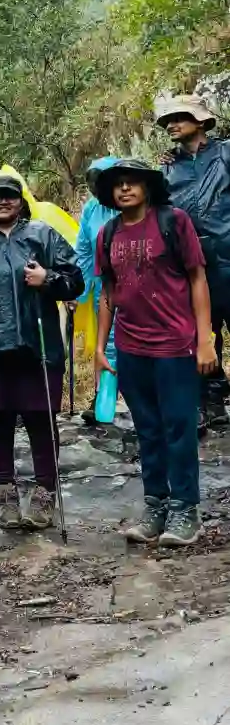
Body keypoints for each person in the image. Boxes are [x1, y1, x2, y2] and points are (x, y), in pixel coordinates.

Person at [0, 176, 85, 532]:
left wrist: (49, 279)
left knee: (41, 419)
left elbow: (76, 281)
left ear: (21, 200)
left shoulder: (43, 235)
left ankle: (45, 493)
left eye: (10, 196)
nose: (4, 202)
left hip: (36, 344)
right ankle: (6, 494)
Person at [93, 159, 215, 548]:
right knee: (146, 430)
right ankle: (156, 505)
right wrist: (99, 347)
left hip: (175, 344)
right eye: (118, 185)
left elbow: (197, 278)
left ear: (148, 187)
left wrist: (205, 338)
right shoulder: (108, 234)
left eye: (132, 183)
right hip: (131, 348)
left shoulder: (174, 221)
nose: (124, 189)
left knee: (178, 428)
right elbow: (108, 294)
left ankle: (185, 510)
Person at [157, 93, 230, 428]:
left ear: (201, 120)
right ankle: (210, 401)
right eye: (167, 121)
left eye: (180, 117)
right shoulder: (165, 170)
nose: (172, 124)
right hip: (192, 264)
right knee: (199, 333)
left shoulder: (226, 153)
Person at [75, 159, 121, 425]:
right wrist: (78, 290)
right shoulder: (92, 209)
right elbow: (83, 250)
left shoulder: (137, 204)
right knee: (108, 344)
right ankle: (103, 400)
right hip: (105, 287)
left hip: (143, 289)